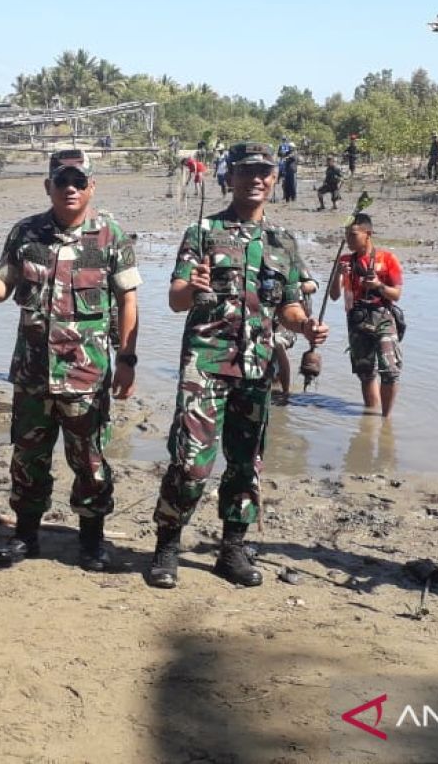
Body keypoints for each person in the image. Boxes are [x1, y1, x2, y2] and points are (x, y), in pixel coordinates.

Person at [147, 142, 330, 589]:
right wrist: (194, 287)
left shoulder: (282, 242)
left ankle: (232, 550)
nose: (258, 179)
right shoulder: (203, 232)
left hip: (257, 368)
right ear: (231, 178)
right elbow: (175, 300)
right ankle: (167, 547)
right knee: (191, 464)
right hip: (206, 367)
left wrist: (306, 326)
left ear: (273, 179)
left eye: (266, 172)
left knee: (246, 465)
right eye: (248, 171)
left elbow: (287, 306)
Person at [0, 149, 140, 572]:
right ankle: (25, 536)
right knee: (28, 457)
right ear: (49, 187)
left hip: (87, 373)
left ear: (92, 186)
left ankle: (92, 542)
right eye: (63, 182)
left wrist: (128, 359)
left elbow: (128, 300)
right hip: (33, 374)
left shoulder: (110, 234)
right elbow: (2, 289)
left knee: (90, 459)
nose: (71, 189)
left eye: (79, 181)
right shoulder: (26, 233)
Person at [328, 213, 404, 417]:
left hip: (383, 317)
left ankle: (386, 420)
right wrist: (338, 274)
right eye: (346, 234)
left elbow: (396, 294)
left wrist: (378, 285)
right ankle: (372, 419)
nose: (348, 240)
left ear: (368, 234)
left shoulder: (387, 259)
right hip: (356, 320)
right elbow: (334, 296)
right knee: (365, 373)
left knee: (390, 371)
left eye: (353, 235)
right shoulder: (344, 260)